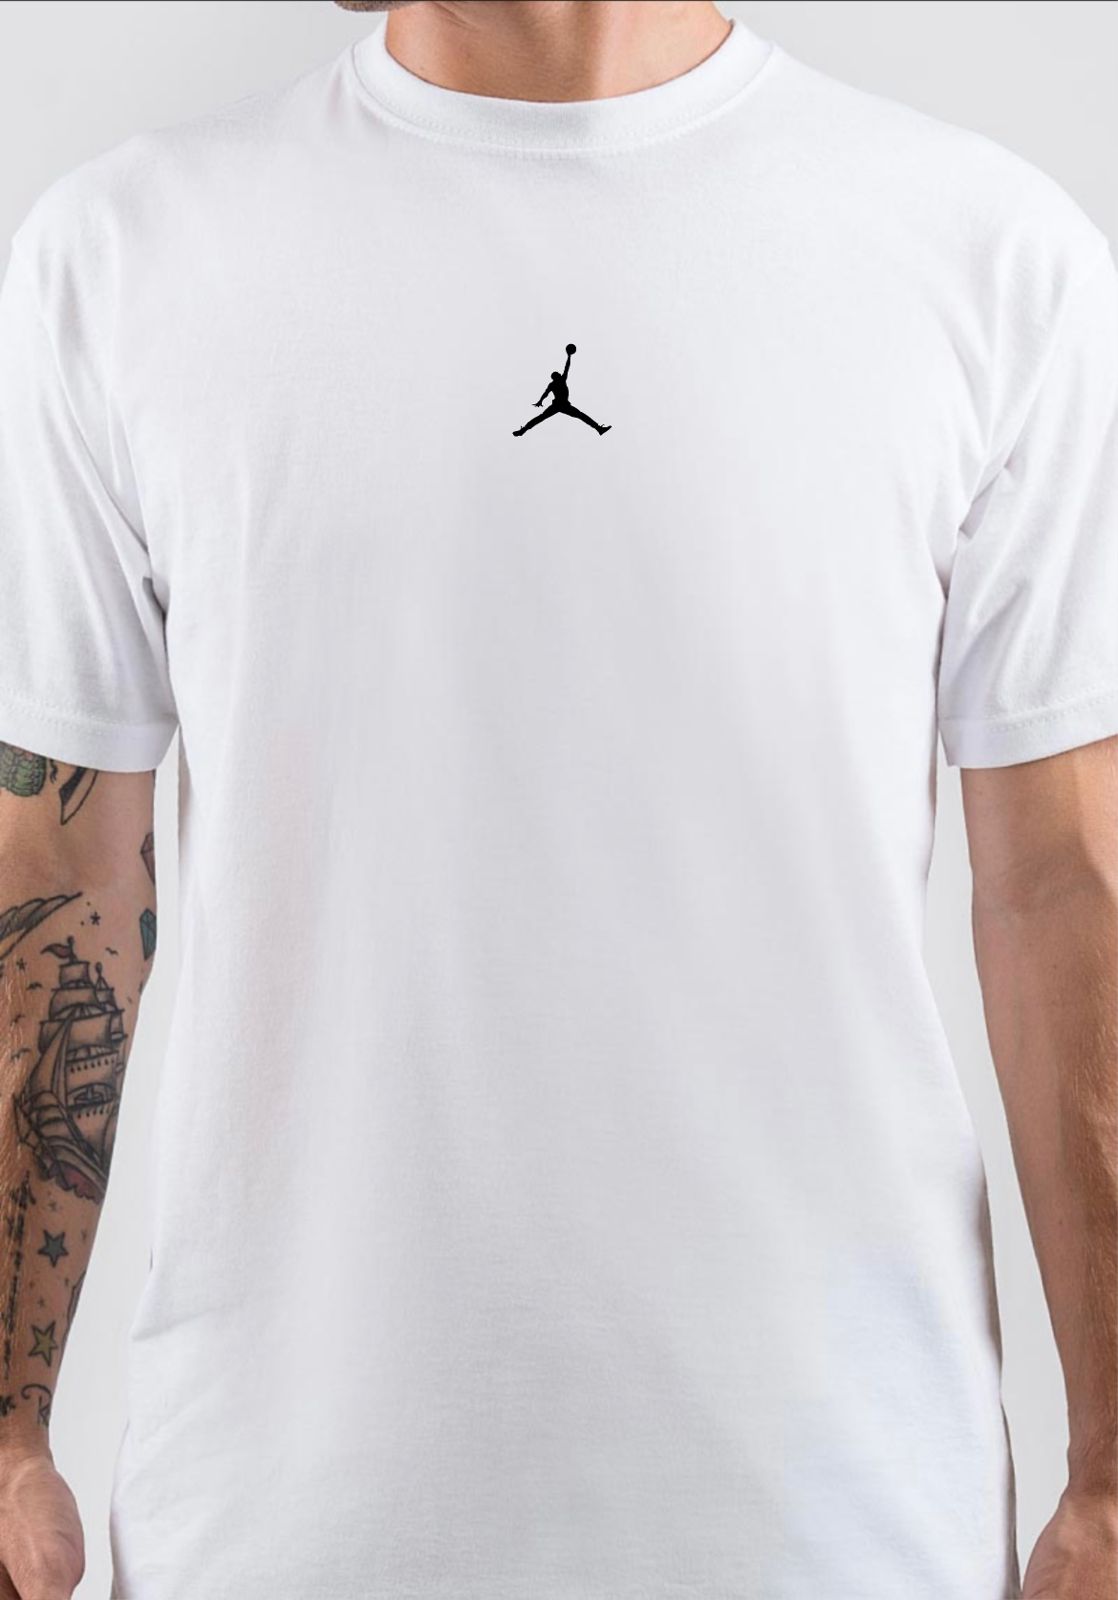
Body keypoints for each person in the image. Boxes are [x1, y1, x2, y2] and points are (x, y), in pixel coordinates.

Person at [0, 1, 1114, 1597]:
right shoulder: (118, 257)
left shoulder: (990, 258)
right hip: (279, 1533)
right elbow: (54, 870)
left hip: (840, 1528)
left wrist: (1112, 1473)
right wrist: (5, 1433)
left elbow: (1068, 889)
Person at [513, 343, 611, 435]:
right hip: (562, 405)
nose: (560, 374)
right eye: (558, 374)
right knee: (580, 415)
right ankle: (598, 428)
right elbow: (566, 368)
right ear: (556, 376)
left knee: (541, 417)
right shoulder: (561, 380)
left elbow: (546, 393)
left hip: (560, 405)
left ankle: (523, 430)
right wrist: (569, 356)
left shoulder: (553, 383)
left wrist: (540, 401)